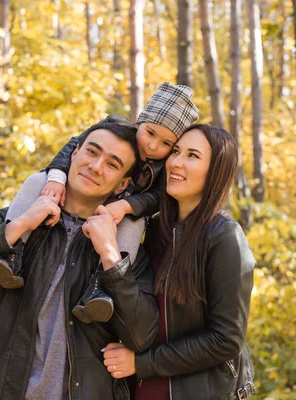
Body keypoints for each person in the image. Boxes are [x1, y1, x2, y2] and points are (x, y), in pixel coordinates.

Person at [0, 121, 160, 400]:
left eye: (112, 165)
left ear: (123, 184)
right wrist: (17, 227)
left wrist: (110, 257)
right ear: (74, 153)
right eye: (92, 152)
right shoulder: (18, 217)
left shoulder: (124, 251)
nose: (96, 166)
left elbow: (141, 337)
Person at [0, 82, 200, 324]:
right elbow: (71, 147)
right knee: (37, 181)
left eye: (165, 144)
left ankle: (99, 287)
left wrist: (127, 206)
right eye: (150, 133)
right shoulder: (115, 128)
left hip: (119, 215)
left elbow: (156, 199)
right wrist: (56, 176)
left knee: (134, 223)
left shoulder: (163, 168)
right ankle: (11, 254)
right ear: (141, 121)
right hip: (85, 199)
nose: (152, 146)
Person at [101, 124, 257, 399]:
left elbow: (227, 339)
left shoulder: (224, 237)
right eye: (175, 151)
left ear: (215, 172)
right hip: (140, 388)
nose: (176, 162)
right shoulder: (157, 229)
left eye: (192, 156)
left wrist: (142, 363)